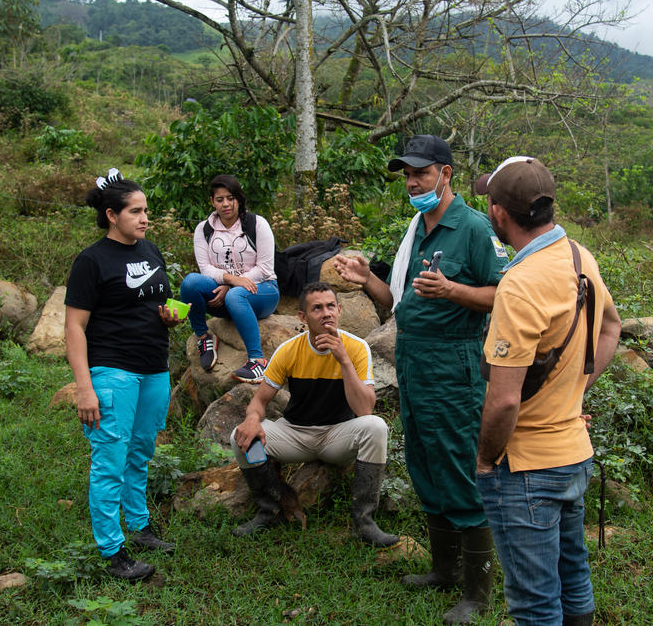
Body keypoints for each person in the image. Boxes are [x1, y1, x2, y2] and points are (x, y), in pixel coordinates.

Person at [334, 134, 507, 623]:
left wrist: (453, 290)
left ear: (445, 174)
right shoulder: (416, 227)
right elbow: (396, 303)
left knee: (456, 465)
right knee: (425, 465)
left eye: (421, 173)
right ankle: (444, 570)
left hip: (453, 365)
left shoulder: (472, 228)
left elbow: (502, 295)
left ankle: (477, 593)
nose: (412, 182)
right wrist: (367, 278)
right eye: (407, 174)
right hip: (412, 358)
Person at [473, 156, 621, 626]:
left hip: (526, 468)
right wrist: (573, 389)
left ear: (498, 213)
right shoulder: (579, 257)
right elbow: (611, 328)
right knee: (572, 572)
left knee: (535, 602)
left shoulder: (519, 285)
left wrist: (484, 459)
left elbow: (504, 399)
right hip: (573, 453)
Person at [64, 168, 184, 582]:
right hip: (112, 372)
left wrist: (169, 318)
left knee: (140, 452)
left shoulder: (149, 251)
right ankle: (112, 551)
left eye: (146, 210)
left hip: (153, 368)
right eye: (136, 211)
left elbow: (153, 302)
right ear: (112, 215)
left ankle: (139, 525)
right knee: (110, 461)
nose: (145, 218)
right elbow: (74, 327)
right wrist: (84, 388)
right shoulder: (91, 261)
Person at [229, 281, 399, 547]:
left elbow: (364, 409)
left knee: (376, 426)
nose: (326, 313)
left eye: (331, 306)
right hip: (294, 434)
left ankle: (364, 522)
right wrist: (252, 419)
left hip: (337, 437)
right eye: (317, 308)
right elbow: (260, 401)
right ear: (302, 317)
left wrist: (343, 359)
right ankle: (270, 511)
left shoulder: (356, 348)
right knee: (238, 435)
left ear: (340, 310)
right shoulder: (289, 350)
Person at [179, 175, 280, 383]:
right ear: (212, 202)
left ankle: (257, 361)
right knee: (190, 282)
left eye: (230, 198)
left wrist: (233, 284)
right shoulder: (204, 229)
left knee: (235, 296)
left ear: (239, 199)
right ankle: (204, 337)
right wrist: (229, 281)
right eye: (219, 199)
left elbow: (264, 268)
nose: (225, 204)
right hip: (224, 290)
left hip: (263, 290)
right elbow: (205, 268)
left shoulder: (256, 224)